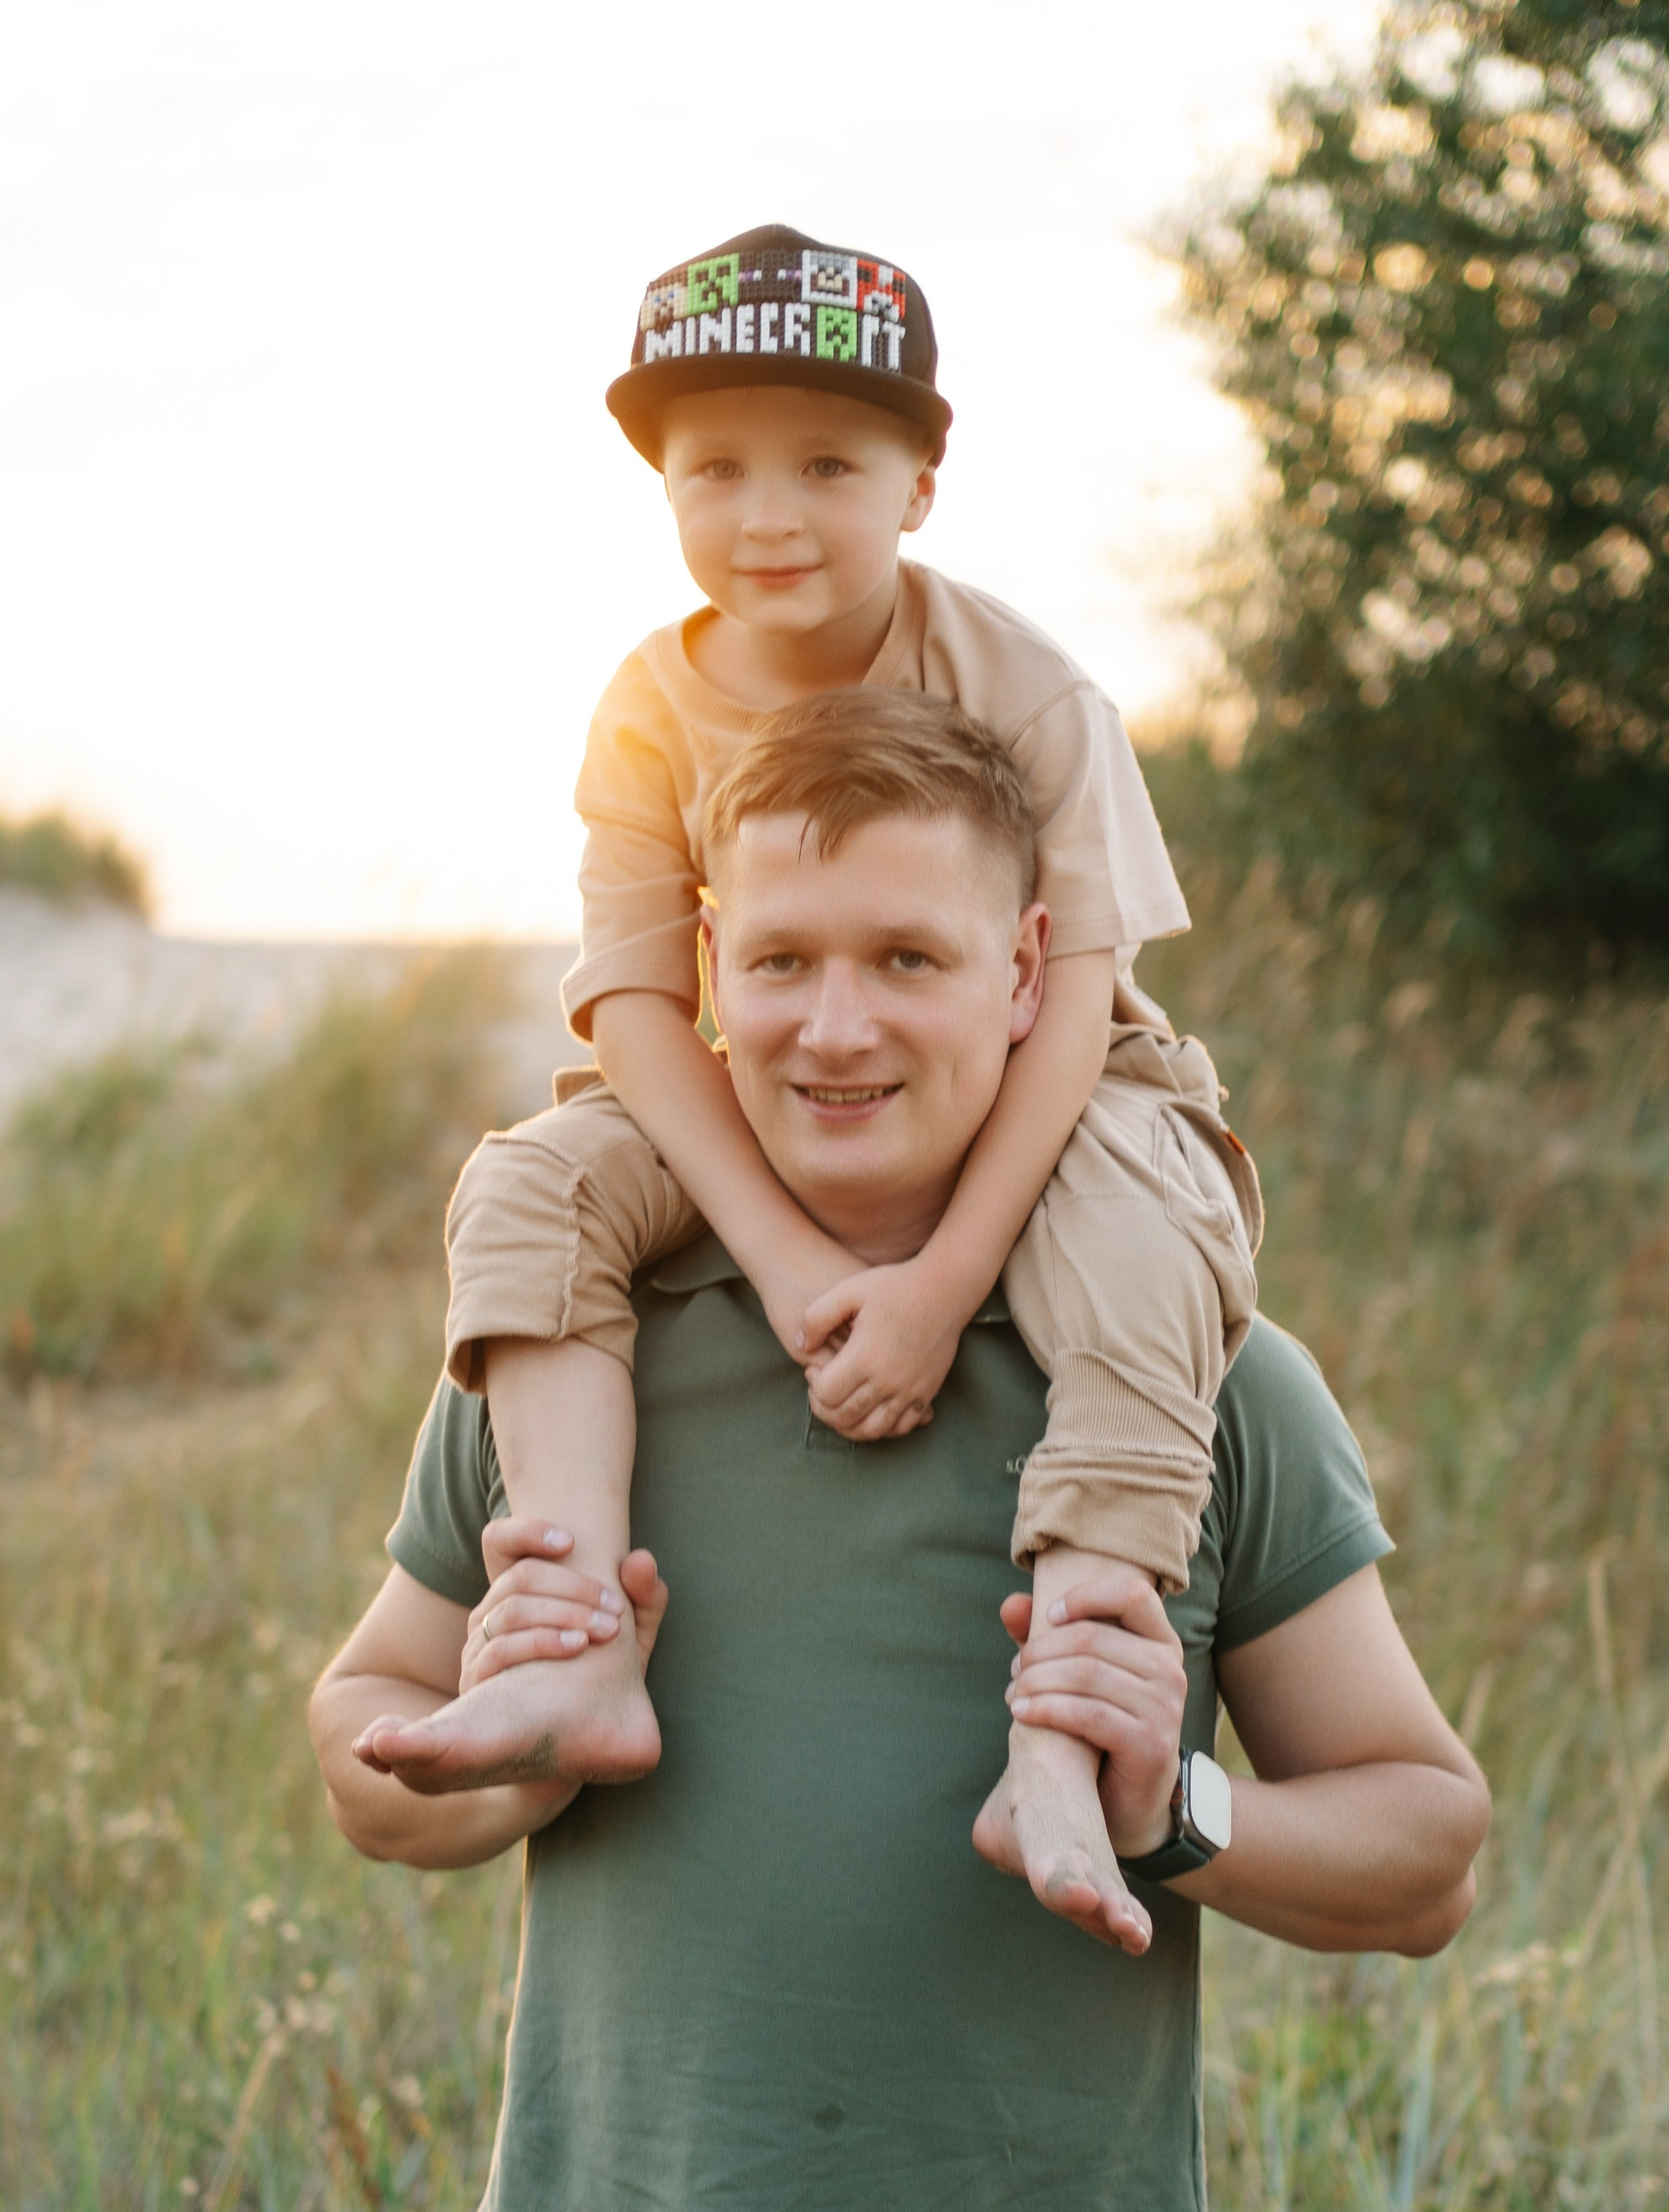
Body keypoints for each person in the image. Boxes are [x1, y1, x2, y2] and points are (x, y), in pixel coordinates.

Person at [310, 695, 1490, 2212]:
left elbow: (1425, 1847)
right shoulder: (570, 1366)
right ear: (703, 973)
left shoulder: (1198, 1380)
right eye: (778, 959)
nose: (833, 1026)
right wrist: (493, 1757)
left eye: (906, 959)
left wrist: (1175, 1807)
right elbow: (365, 1731)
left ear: (1031, 975)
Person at [427, 221, 1264, 1955]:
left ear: (921, 482)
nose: (767, 513)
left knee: (1140, 1241)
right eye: (710, 466)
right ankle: (574, 1626)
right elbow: (645, 1010)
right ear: (658, 482)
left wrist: (944, 1281)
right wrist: (799, 1269)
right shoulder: (647, 705)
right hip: (739, 1076)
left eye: (827, 461)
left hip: (1046, 1076)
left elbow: (1077, 999)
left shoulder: (1032, 692)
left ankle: (1064, 1728)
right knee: (530, 1183)